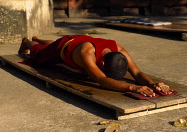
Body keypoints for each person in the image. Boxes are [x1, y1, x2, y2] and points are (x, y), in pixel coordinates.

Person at [18, 34, 174, 97]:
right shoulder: (87, 55)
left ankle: (40, 38)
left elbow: (137, 73)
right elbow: (101, 79)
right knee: (39, 53)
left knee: (51, 44)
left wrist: (153, 84)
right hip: (65, 47)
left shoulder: (120, 50)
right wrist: (132, 87)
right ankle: (28, 41)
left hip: (79, 40)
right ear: (103, 63)